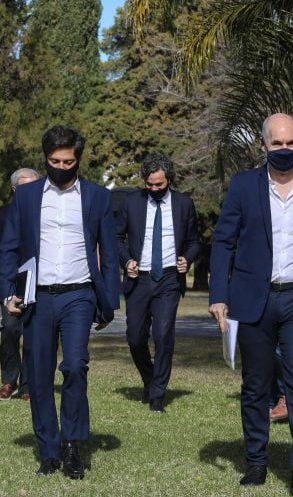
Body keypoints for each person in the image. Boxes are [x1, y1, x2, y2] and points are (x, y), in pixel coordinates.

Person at [208, 113, 293, 496]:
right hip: (254, 298)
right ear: (263, 146)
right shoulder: (244, 186)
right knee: (255, 383)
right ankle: (256, 461)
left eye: (291, 143)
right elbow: (223, 243)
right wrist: (219, 295)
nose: (284, 150)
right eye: (277, 144)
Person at [0, 125, 119, 480]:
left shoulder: (97, 196)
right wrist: (9, 293)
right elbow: (8, 249)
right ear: (45, 158)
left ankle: (72, 445)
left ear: (78, 159)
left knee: (76, 366)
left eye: (68, 161)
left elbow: (109, 251)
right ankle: (48, 450)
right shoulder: (27, 196)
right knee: (37, 375)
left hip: (80, 294)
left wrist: (108, 300)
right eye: (55, 161)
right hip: (38, 296)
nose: (61, 167)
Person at [116, 154, 200, 413]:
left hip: (168, 279)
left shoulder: (184, 204)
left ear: (169, 180)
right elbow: (116, 237)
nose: (153, 189)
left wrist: (187, 258)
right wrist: (127, 260)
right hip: (138, 279)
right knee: (135, 338)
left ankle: (157, 395)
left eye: (159, 185)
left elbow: (195, 241)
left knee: (163, 336)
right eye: (149, 185)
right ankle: (150, 379)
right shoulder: (131, 202)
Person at [0, 168, 39, 401]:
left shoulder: (45, 213)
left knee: (34, 333)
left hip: (39, 280)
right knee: (9, 329)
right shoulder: (3, 213)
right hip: (10, 281)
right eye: (25, 187)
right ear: (15, 189)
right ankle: (9, 381)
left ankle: (29, 385)